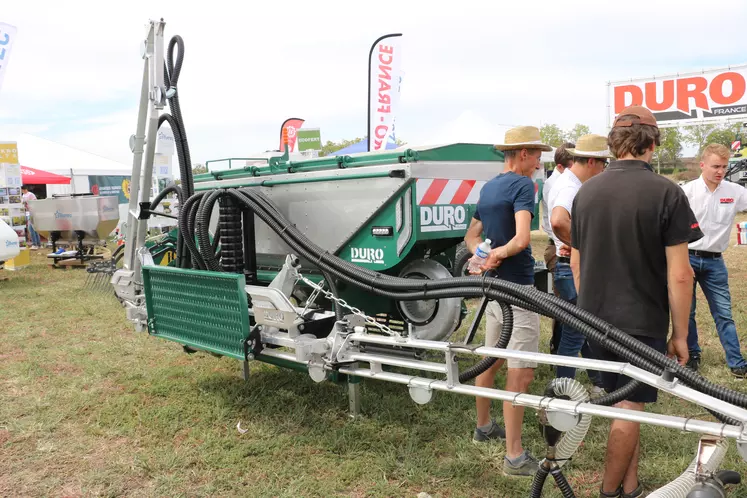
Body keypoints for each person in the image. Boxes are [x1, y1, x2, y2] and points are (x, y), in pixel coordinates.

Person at [570, 106, 701, 498]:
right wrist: (681, 336)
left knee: (626, 403)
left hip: (593, 319)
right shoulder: (666, 192)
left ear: (614, 143)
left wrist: (589, 307)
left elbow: (576, 262)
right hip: (640, 322)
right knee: (629, 408)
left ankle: (630, 486)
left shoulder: (586, 191)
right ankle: (610, 493)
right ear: (653, 141)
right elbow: (681, 274)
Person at [464, 125, 549, 477]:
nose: (540, 161)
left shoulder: (489, 187)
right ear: (524, 154)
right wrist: (499, 254)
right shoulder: (522, 185)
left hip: (493, 290)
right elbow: (522, 239)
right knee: (522, 371)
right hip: (517, 287)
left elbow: (471, 237)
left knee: (491, 359)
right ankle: (514, 456)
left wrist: (483, 257)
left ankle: (484, 427)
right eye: (538, 154)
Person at [548, 134, 610, 394]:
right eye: (604, 163)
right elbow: (559, 221)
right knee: (576, 332)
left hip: (566, 262)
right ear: (593, 161)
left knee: (582, 328)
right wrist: (582, 245)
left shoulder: (568, 182)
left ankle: (598, 381)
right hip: (569, 264)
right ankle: (562, 391)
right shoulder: (570, 187)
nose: (606, 169)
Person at [681, 143, 747, 377]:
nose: (720, 171)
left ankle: (737, 363)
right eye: (715, 166)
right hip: (686, 259)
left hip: (715, 262)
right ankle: (691, 355)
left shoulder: (735, 192)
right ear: (702, 165)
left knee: (724, 313)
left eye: (724, 166)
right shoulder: (686, 192)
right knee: (686, 312)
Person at [541, 142, 574, 354]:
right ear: (561, 167)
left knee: (567, 308)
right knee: (566, 308)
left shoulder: (561, 182)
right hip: (560, 248)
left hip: (560, 245)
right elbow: (559, 222)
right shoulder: (559, 185)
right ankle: (559, 349)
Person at [21, 185, 40, 249]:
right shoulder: (23, 195)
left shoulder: (30, 194)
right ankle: (38, 244)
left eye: (22, 190)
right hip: (28, 212)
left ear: (24, 189)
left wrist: (27, 203)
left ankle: (35, 244)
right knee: (33, 229)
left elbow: (35, 203)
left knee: (31, 228)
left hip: (32, 212)